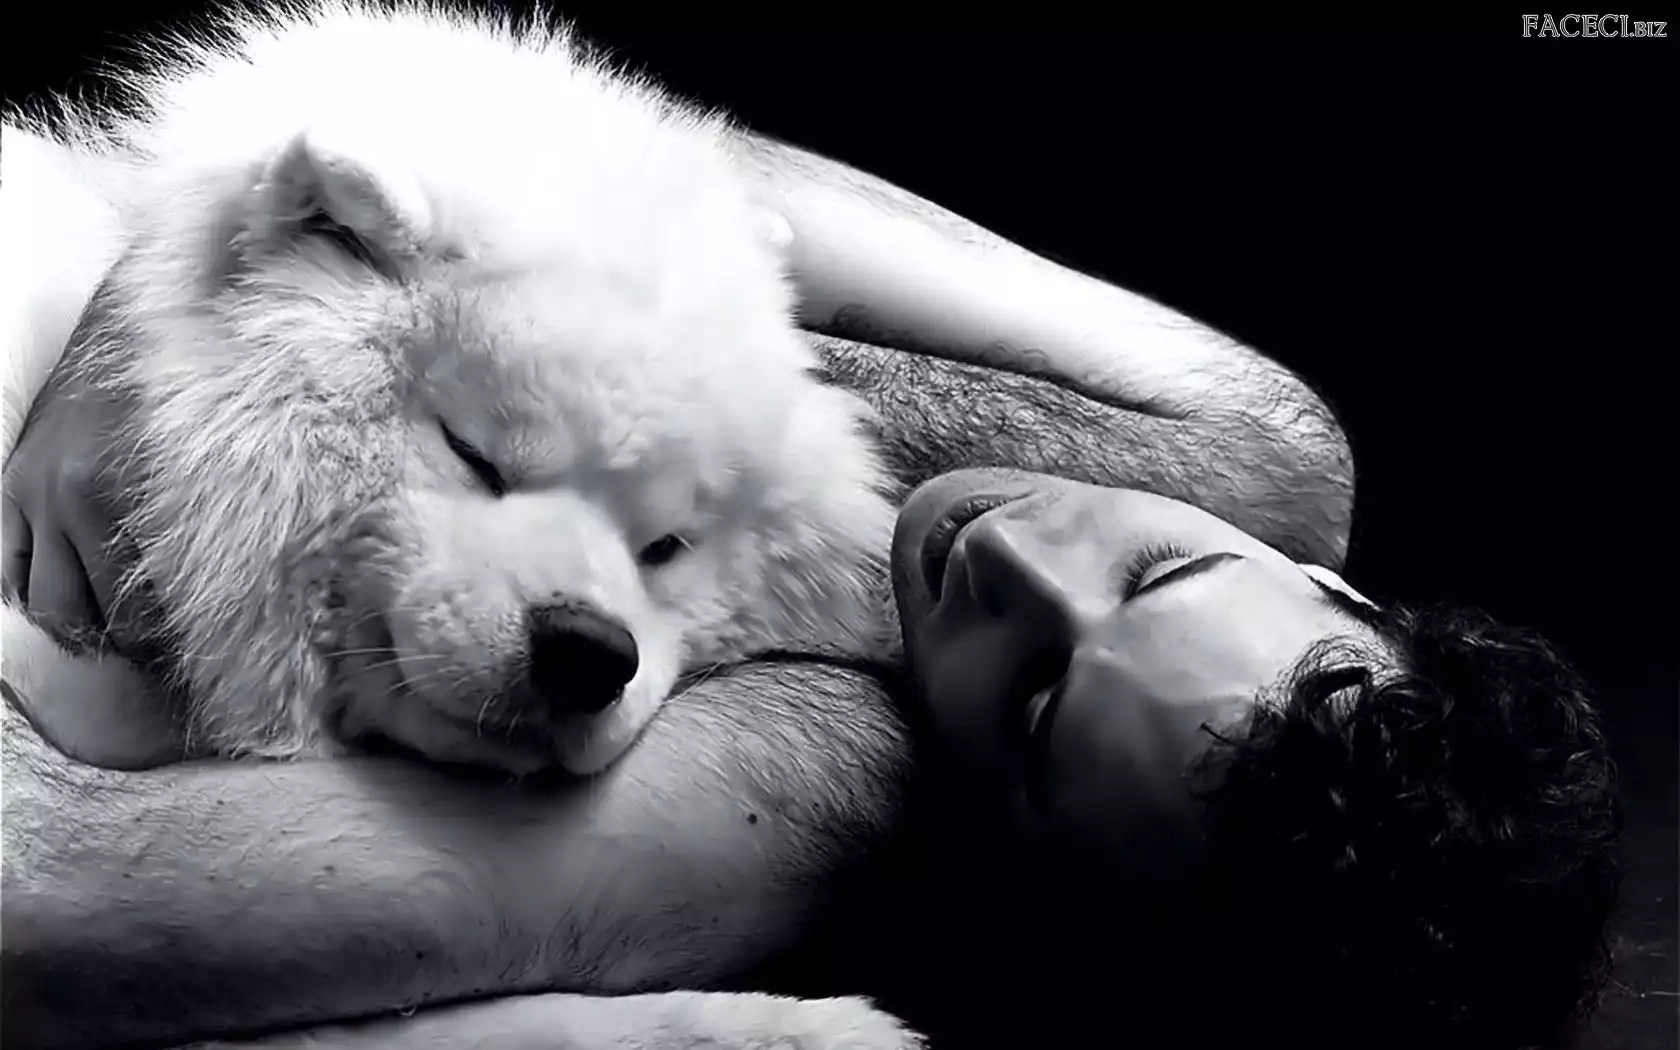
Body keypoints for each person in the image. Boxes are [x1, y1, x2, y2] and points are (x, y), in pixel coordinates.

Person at [0, 124, 1617, 1050]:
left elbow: (42, 899)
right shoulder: (1266, 472)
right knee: (1276, 445)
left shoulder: (794, 784)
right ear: (1333, 588)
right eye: (1159, 561)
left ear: (1046, 879)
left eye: (1036, 697)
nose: (1009, 555)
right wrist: (180, 278)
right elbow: (682, 176)